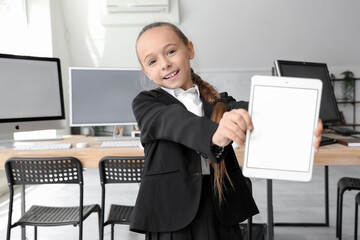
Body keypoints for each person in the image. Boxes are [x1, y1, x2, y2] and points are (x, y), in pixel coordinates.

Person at [131, 22, 323, 240]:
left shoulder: (220, 102)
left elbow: (254, 112)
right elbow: (173, 121)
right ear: (145, 71)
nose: (165, 63)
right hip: (170, 216)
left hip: (221, 209)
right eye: (153, 61)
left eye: (171, 51)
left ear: (190, 49)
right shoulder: (146, 104)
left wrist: (300, 120)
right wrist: (216, 133)